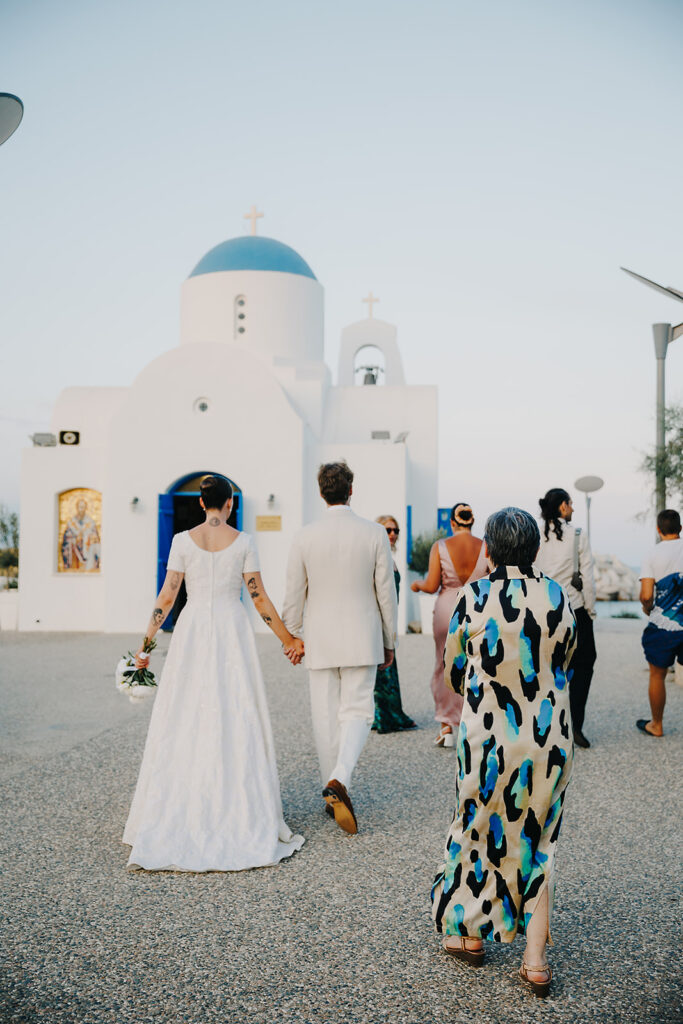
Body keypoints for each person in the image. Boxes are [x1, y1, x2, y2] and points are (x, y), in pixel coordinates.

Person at [123, 475, 305, 871]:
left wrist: (145, 645)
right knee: (233, 708)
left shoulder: (181, 541)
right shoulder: (244, 542)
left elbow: (167, 595)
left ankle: (182, 801)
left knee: (185, 710)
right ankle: (235, 801)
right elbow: (259, 598)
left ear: (202, 504)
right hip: (230, 628)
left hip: (191, 630)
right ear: (230, 503)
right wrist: (288, 639)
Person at [431, 508, 576, 998]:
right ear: (534, 549)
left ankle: (469, 934)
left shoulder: (474, 596)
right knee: (540, 838)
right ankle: (535, 961)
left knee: (475, 828)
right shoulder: (556, 595)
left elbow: (454, 669)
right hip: (549, 740)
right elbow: (566, 659)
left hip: (487, 741)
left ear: (489, 550)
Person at [282, 462, 397, 834]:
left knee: (325, 716)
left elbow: (294, 592)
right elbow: (386, 592)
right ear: (351, 490)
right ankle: (340, 779)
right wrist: (389, 640)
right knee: (358, 711)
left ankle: (331, 789)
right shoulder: (375, 533)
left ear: (321, 492)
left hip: (319, 637)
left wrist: (292, 635)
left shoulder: (304, 536)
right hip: (363, 635)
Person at [411, 503, 488, 747]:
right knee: (477, 665)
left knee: (444, 665)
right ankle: (473, 723)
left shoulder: (440, 546)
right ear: (472, 521)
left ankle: (446, 726)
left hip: (447, 610)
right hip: (477, 608)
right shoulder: (485, 547)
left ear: (452, 523)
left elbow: (432, 585)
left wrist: (417, 585)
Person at [535, 487, 596, 749]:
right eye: (570, 503)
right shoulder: (577, 534)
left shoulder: (535, 533)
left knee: (546, 668)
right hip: (574, 608)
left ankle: (545, 727)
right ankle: (575, 726)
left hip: (543, 610)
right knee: (584, 664)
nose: (572, 508)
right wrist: (591, 610)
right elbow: (588, 577)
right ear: (562, 506)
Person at [637, 508, 683, 737]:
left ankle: (657, 724)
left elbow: (646, 595)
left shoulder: (652, 554)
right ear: (680, 528)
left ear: (658, 530)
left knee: (657, 675)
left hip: (663, 627)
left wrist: (648, 610)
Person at [372, 515, 416, 733]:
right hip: (379, 617)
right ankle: (384, 717)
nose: (392, 534)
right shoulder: (378, 557)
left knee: (388, 665)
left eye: (396, 530)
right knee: (382, 667)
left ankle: (392, 713)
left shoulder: (391, 557)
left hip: (390, 616)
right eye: (388, 530)